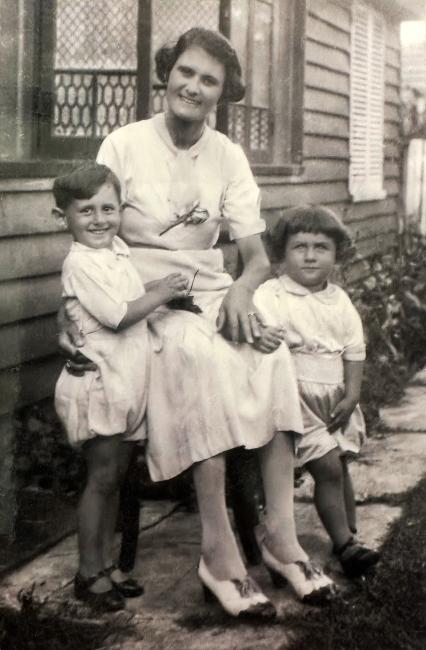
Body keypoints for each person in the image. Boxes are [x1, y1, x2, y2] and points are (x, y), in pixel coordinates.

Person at [60, 28, 335, 618]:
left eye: (208, 80)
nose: (193, 86)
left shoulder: (227, 155)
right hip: (145, 298)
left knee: (272, 354)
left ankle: (281, 536)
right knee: (202, 360)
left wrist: (240, 293)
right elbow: (89, 233)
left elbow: (257, 256)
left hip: (211, 291)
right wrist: (74, 306)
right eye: (185, 71)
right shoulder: (125, 143)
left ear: (222, 93)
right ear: (168, 73)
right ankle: (218, 550)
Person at [53, 163, 189, 612]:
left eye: (107, 208)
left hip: (127, 384)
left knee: (113, 480)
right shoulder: (81, 262)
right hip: (101, 386)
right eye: (85, 210)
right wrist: (163, 292)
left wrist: (156, 288)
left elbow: (130, 295)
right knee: (100, 479)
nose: (98, 219)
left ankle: (107, 563)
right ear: (63, 218)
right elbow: (117, 315)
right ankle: (87, 571)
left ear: (121, 211)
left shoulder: (116, 252)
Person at [254, 205, 381, 578]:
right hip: (295, 400)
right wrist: (259, 333)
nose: (310, 255)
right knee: (326, 467)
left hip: (334, 398)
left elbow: (354, 350)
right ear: (281, 253)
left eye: (321, 247)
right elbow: (255, 330)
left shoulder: (338, 299)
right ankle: (343, 544)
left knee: (338, 466)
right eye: (300, 247)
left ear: (336, 253)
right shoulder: (272, 294)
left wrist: (352, 394)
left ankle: (350, 536)